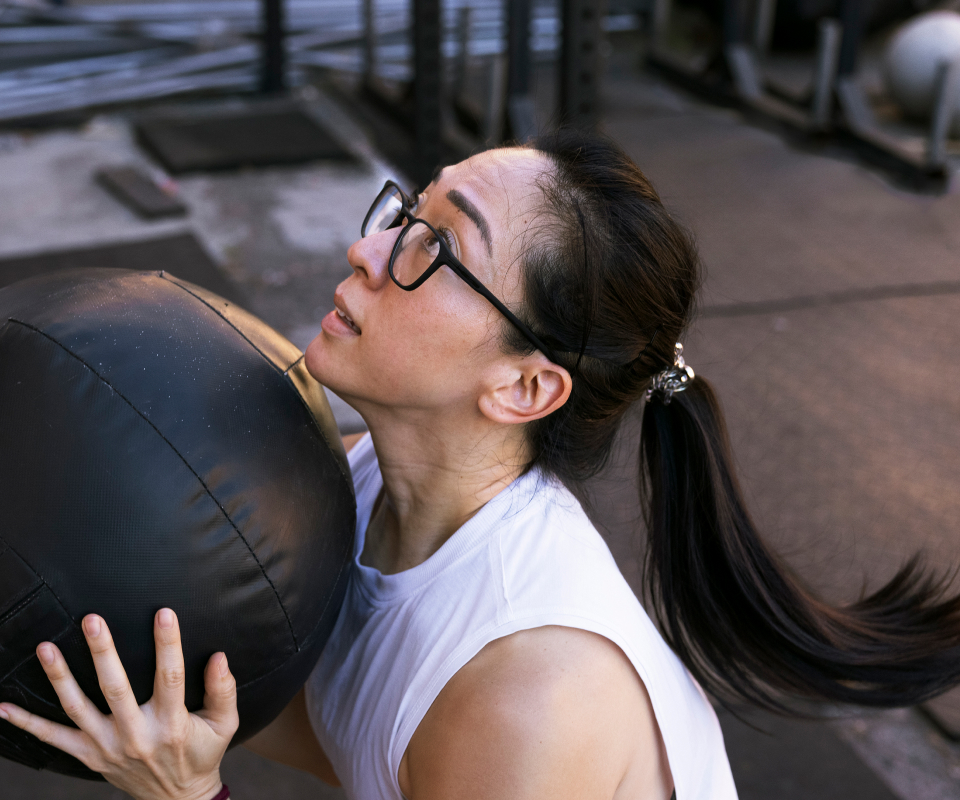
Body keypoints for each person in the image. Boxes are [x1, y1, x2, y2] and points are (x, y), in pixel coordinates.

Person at [3, 130, 960, 800]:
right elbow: (353, 733)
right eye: (405, 213)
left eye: (435, 249)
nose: (367, 248)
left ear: (524, 388)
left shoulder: (527, 694)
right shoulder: (358, 484)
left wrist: (188, 796)